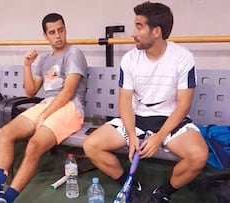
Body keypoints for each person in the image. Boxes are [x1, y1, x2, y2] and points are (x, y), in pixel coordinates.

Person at [83, 2, 208, 203]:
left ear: (156, 31)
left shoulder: (183, 57)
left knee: (199, 155)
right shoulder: (130, 59)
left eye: (139, 27)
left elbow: (183, 105)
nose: (133, 33)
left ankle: (164, 192)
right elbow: (124, 100)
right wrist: (132, 136)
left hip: (170, 119)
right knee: (91, 146)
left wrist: (159, 137)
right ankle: (129, 183)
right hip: (138, 118)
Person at [0, 12, 87, 203]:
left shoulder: (73, 54)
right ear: (45, 36)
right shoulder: (44, 60)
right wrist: (26, 65)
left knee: (34, 145)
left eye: (61, 30)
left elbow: (68, 92)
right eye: (52, 32)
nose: (58, 36)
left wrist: (45, 114)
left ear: (65, 30)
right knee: (5, 133)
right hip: (46, 105)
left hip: (70, 107)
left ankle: (7, 199)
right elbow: (31, 91)